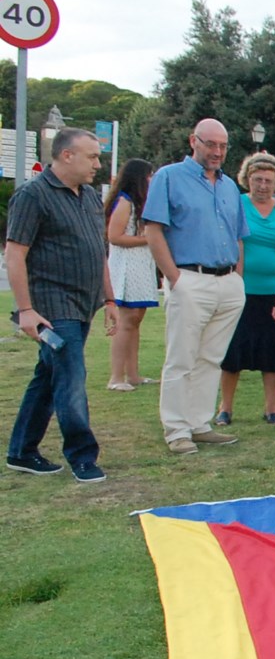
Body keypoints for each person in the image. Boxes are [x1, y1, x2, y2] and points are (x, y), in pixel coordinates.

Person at [5, 127, 115, 483]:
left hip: (84, 303)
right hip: (52, 304)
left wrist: (109, 298)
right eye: (92, 156)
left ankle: (22, 451)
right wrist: (25, 310)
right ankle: (83, 456)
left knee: (48, 376)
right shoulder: (32, 196)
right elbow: (15, 254)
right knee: (70, 377)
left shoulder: (88, 197)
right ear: (67, 155)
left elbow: (98, 252)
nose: (98, 163)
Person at [144, 117, 249, 455]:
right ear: (194, 141)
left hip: (227, 280)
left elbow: (238, 235)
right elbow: (153, 229)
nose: (217, 152)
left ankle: (199, 423)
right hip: (190, 277)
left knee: (211, 358)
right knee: (181, 358)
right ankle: (176, 430)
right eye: (211, 144)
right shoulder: (169, 177)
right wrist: (173, 277)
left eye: (222, 146)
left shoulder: (229, 185)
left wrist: (238, 278)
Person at [218, 151, 275, 426]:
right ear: (247, 179)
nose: (262, 185)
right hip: (241, 289)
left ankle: (272, 408)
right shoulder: (236, 204)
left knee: (274, 351)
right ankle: (225, 407)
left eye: (268, 181)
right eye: (257, 179)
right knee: (233, 350)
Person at [104, 158, 158, 391]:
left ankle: (133, 374)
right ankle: (116, 377)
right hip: (126, 265)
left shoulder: (141, 203)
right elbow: (114, 236)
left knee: (136, 319)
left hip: (142, 265)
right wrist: (145, 239)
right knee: (126, 321)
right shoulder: (124, 202)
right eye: (149, 176)